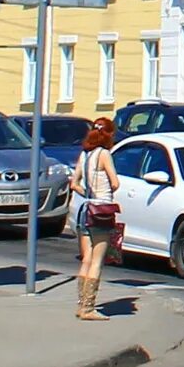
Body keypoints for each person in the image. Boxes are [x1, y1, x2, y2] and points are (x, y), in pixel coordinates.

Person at [70, 116, 121, 321]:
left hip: (86, 208)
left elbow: (74, 183)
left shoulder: (85, 154)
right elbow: (115, 183)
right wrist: (104, 192)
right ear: (109, 135)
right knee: (97, 261)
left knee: (86, 259)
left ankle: (81, 304)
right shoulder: (104, 154)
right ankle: (89, 308)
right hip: (101, 210)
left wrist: (88, 193)